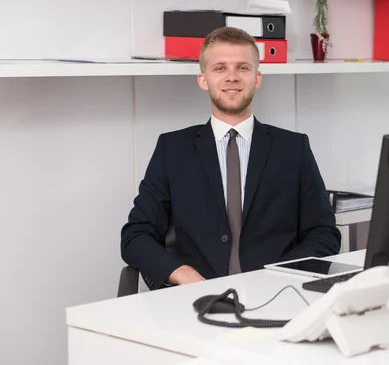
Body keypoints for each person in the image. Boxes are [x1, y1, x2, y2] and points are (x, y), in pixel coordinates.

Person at [120, 26, 341, 289]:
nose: (232, 77)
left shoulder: (293, 148)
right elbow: (136, 236)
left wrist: (279, 276)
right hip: (196, 297)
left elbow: (323, 233)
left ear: (257, 79)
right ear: (204, 80)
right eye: (220, 68)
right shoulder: (173, 149)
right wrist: (183, 274)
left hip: (276, 294)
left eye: (242, 68)